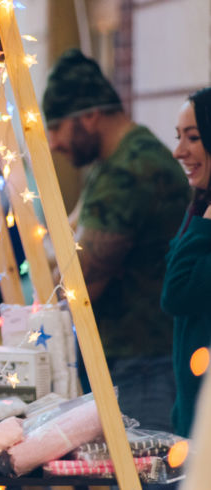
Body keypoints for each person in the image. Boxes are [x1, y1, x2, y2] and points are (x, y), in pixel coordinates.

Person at [42, 49, 189, 432]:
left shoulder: (128, 172)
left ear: (90, 116)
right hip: (137, 359)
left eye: (56, 126)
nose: (53, 142)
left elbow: (79, 283)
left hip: (144, 365)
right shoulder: (116, 162)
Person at [161, 87, 211, 437]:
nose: (179, 151)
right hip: (192, 420)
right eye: (179, 137)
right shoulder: (201, 208)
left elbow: (176, 294)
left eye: (193, 137)